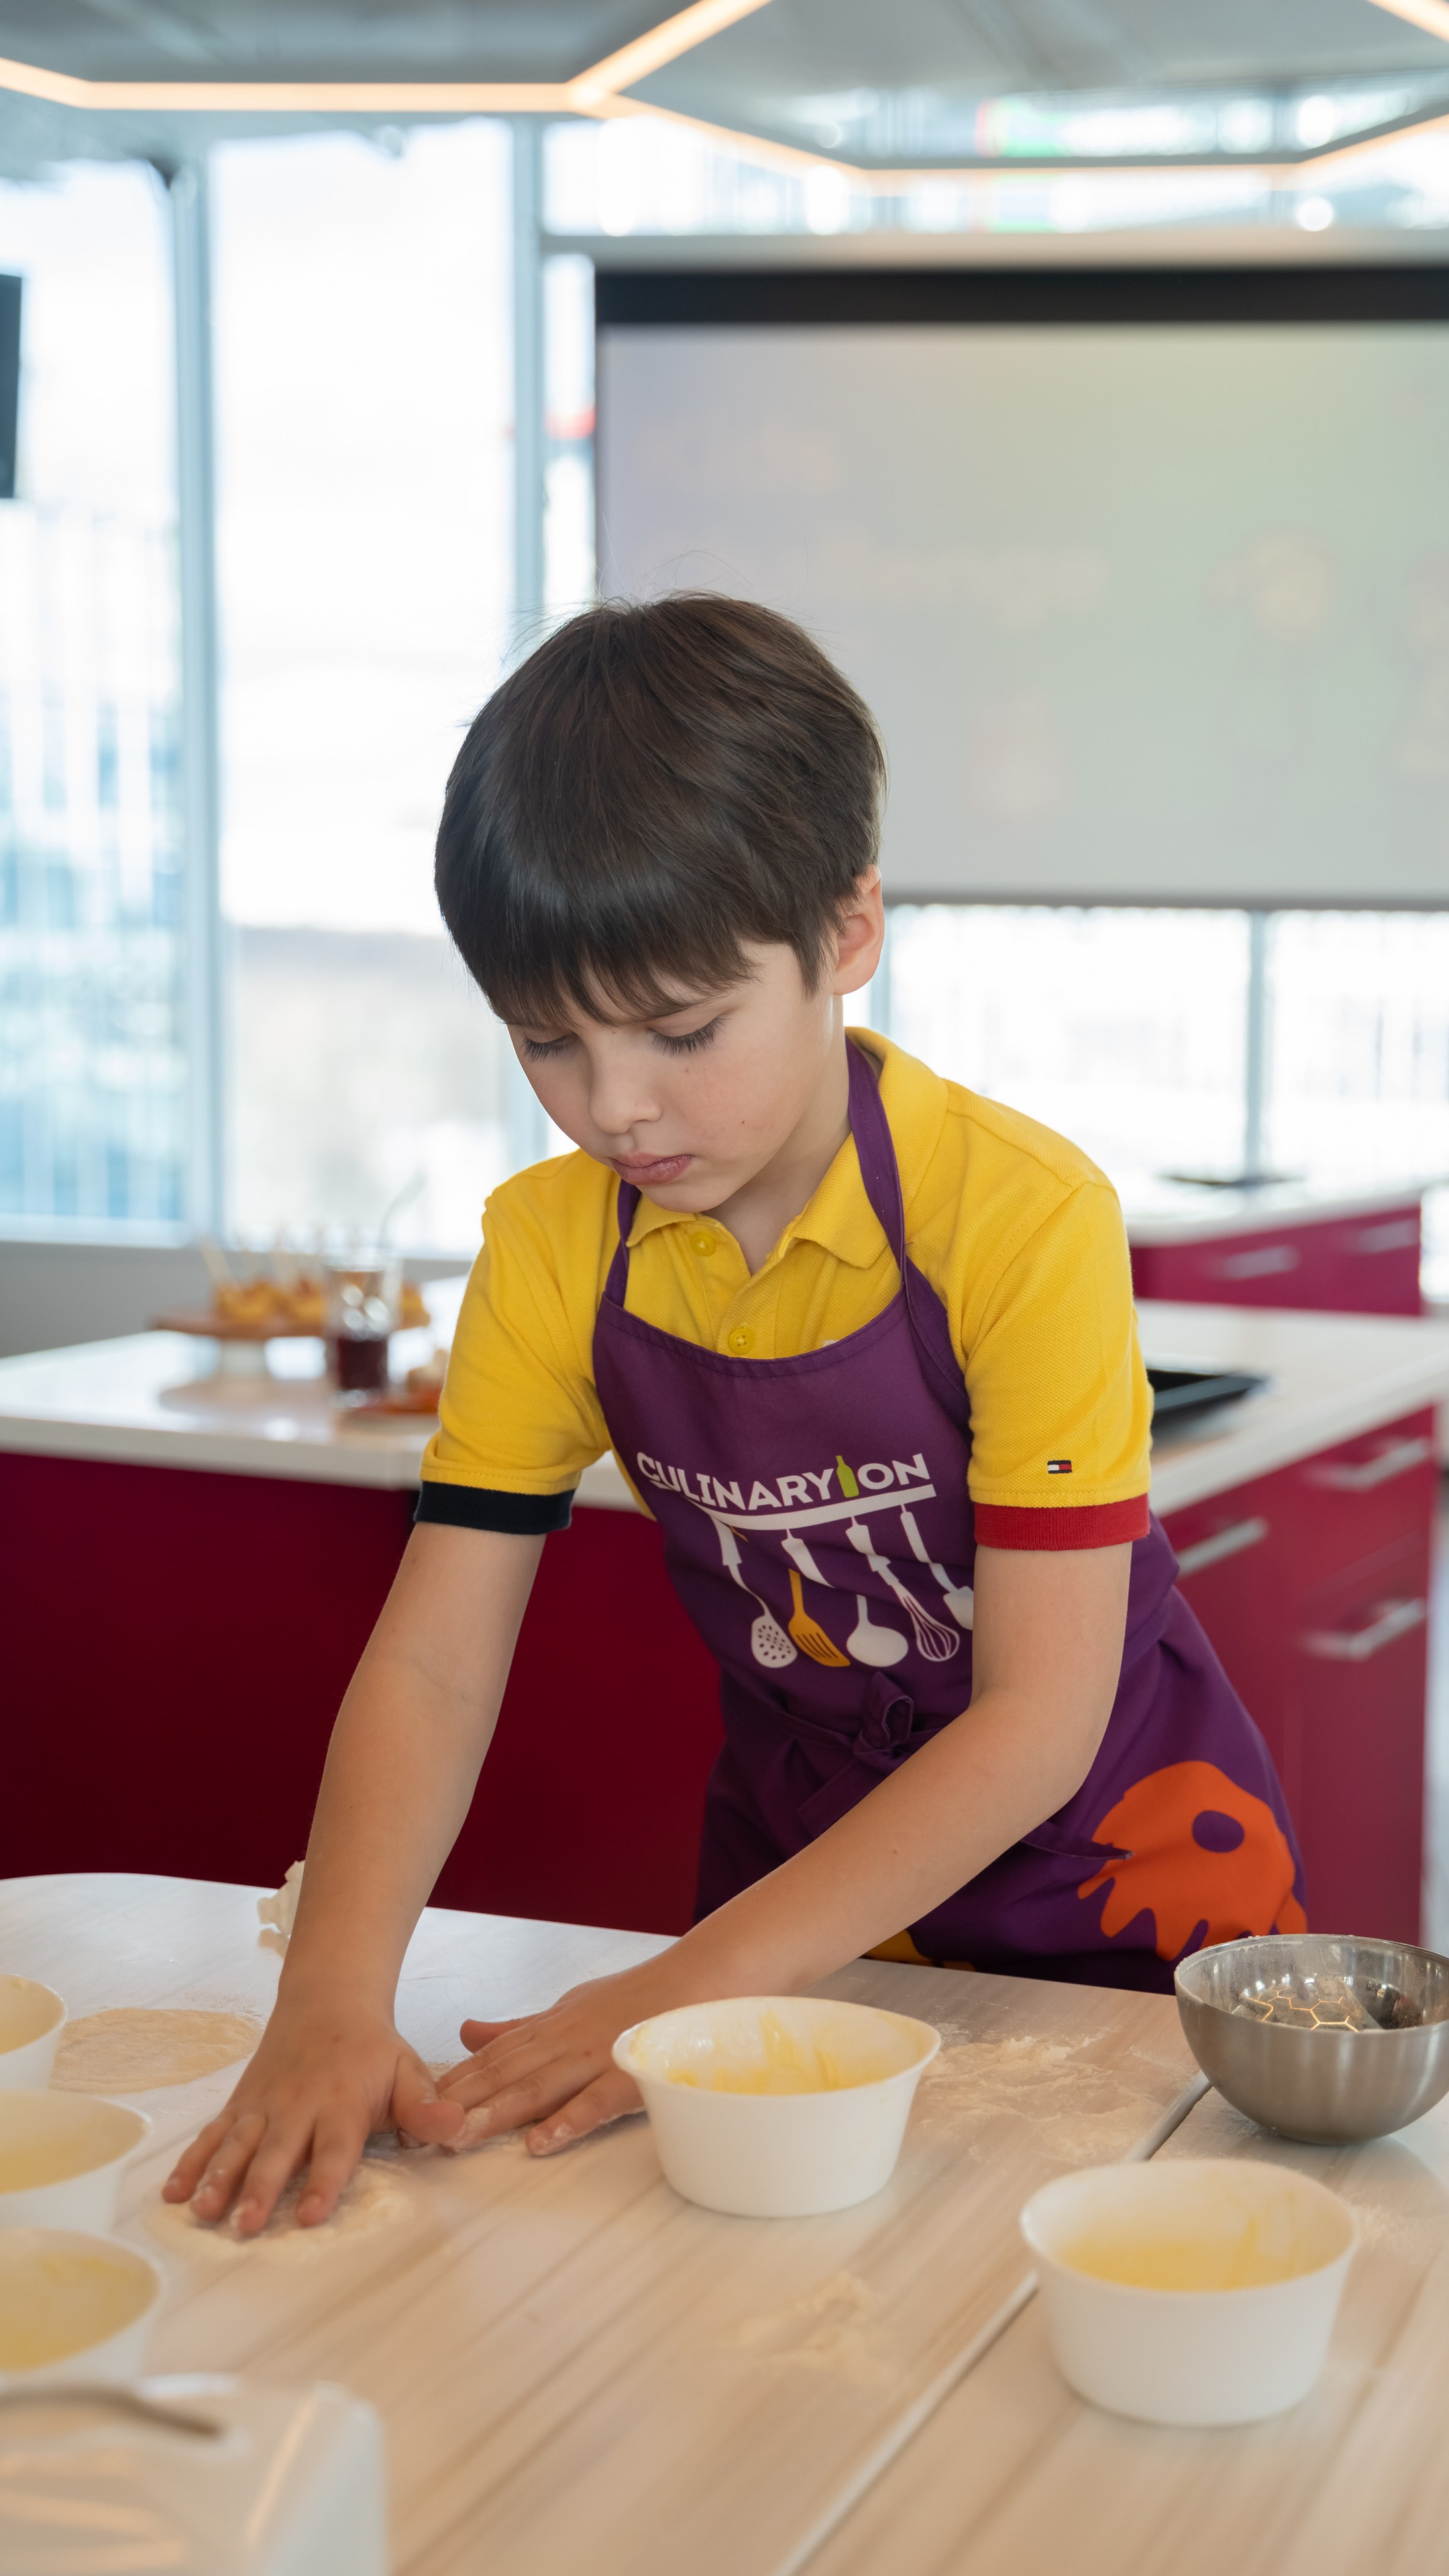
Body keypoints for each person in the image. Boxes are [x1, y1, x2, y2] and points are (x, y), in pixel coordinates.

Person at [166, 594, 1304, 2237]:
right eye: (547, 1041)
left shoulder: (1018, 1218)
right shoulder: (553, 1251)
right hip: (803, 1891)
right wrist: (333, 1997)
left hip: (1117, 1878)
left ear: (846, 932)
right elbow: (434, 1659)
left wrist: (679, 1987)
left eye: (682, 1029)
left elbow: (1037, 1719)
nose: (615, 1107)